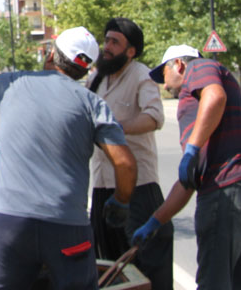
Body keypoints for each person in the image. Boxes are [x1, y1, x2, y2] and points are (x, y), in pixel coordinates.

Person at [0, 26, 138, 290]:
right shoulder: (92, 104)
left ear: (51, 54)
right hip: (68, 228)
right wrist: (121, 201)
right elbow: (125, 164)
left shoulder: (12, 83)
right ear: (85, 69)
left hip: (11, 225)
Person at [131, 45, 241, 290]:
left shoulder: (199, 67)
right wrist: (155, 222)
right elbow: (190, 179)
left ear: (178, 65)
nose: (165, 87)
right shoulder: (199, 108)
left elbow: (215, 96)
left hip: (230, 189)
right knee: (234, 280)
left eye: (164, 76)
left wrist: (192, 148)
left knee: (214, 283)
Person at [86, 18, 172, 290]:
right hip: (102, 187)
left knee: (146, 268)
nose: (107, 47)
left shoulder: (141, 75)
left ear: (131, 51)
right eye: (106, 40)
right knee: (110, 269)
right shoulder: (95, 78)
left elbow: (154, 118)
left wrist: (115, 130)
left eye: (115, 42)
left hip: (138, 188)